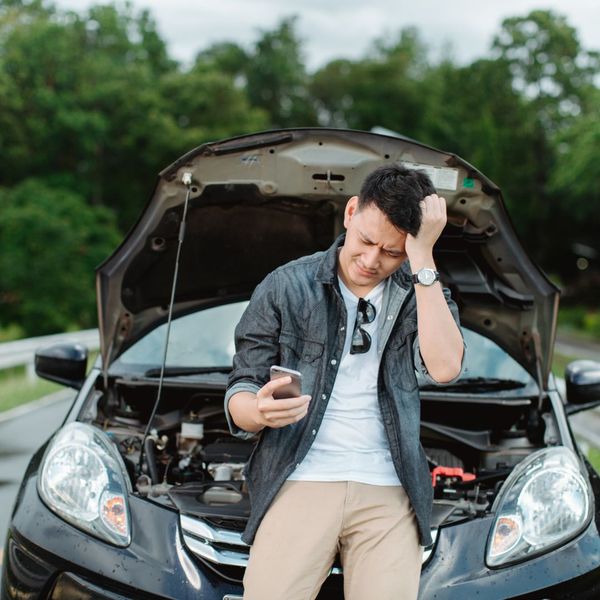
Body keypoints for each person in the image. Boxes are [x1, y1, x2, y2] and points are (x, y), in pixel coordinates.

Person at [225, 164, 464, 600]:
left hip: (390, 485)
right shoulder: (285, 286)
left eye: (392, 253)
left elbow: (445, 368)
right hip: (301, 476)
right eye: (367, 241)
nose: (372, 261)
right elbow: (241, 388)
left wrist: (423, 260)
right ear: (350, 212)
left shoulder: (421, 291)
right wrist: (258, 411)